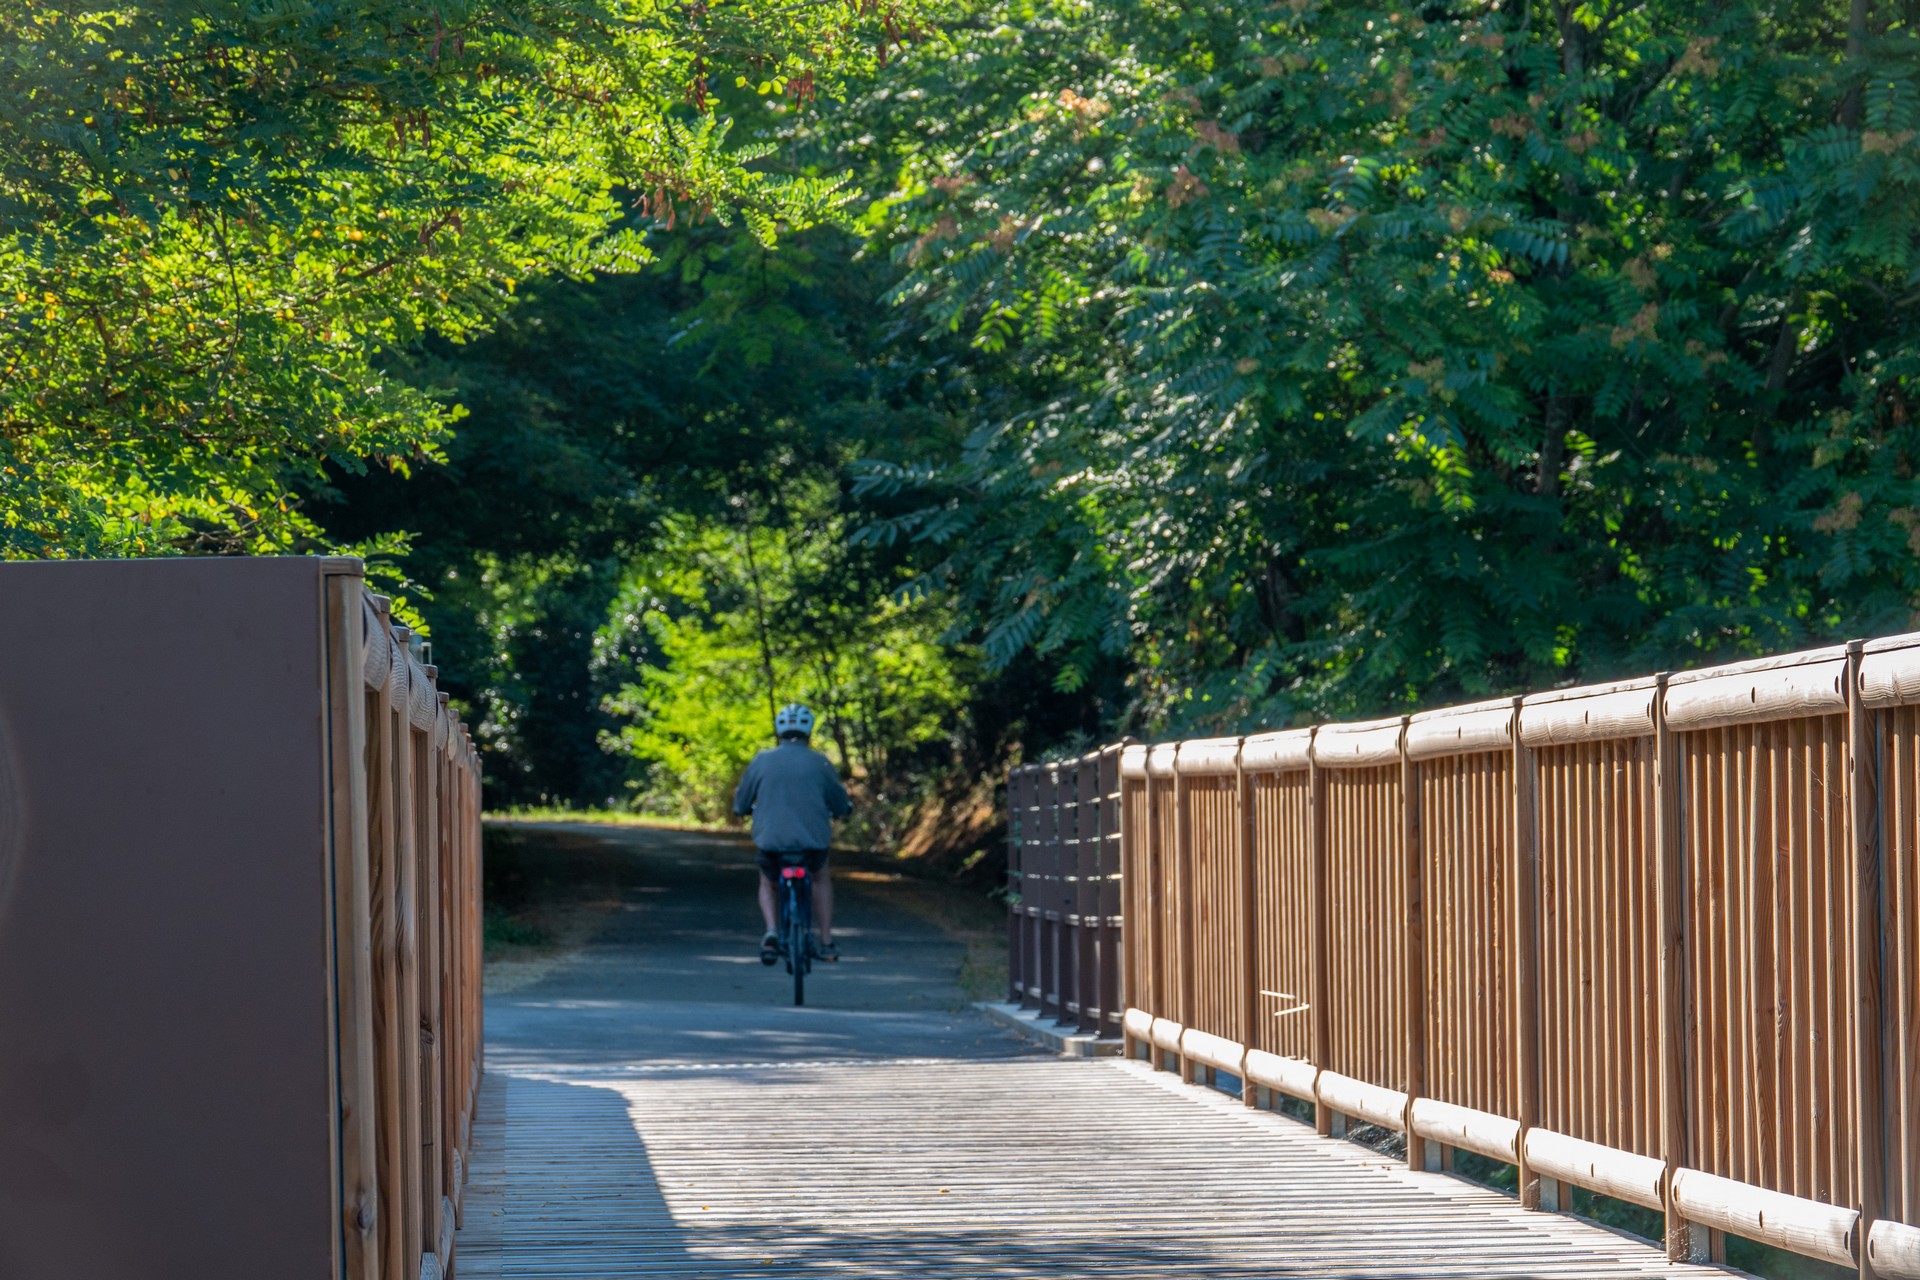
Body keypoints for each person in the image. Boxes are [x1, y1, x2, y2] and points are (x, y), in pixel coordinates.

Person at [732, 702, 852, 964]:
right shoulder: (820, 762)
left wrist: (743, 809)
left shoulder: (762, 760)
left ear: (779, 730)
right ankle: (826, 941)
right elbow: (840, 802)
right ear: (809, 731)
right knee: (819, 878)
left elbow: (741, 802)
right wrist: (843, 810)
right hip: (812, 843)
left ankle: (771, 930)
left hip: (771, 841)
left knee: (768, 881)